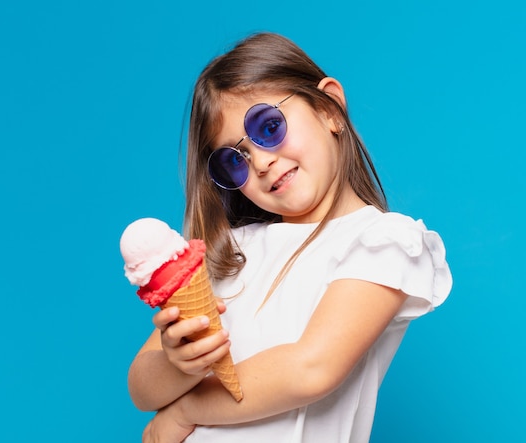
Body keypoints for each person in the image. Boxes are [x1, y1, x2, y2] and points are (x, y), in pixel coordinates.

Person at [128, 32, 452, 443]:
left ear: (329, 108)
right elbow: (141, 386)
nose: (261, 162)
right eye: (235, 159)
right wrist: (177, 364)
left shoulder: (384, 241)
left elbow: (311, 368)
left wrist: (184, 410)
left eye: (269, 126)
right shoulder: (233, 252)